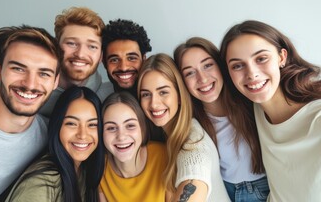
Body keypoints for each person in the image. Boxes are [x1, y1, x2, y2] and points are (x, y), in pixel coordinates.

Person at [219, 20, 321, 202]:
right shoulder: (252, 107)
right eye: (237, 65)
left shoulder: (316, 116)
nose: (251, 74)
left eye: (261, 59)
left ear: (282, 57)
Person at [0, 25, 62, 201]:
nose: (30, 84)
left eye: (44, 74)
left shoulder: (49, 135)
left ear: (55, 82)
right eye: (19, 69)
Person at [174, 37, 269, 202]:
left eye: (208, 65)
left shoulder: (251, 100)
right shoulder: (193, 125)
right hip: (224, 191)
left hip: (264, 187)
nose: (202, 79)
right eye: (190, 72)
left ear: (220, 65)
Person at [0, 7, 113, 117]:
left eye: (92, 46)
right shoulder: (29, 85)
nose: (80, 54)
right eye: (71, 43)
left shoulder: (105, 93)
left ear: (101, 55)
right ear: (56, 46)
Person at [137, 53, 230, 202]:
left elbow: (195, 169)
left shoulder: (193, 142)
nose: (154, 104)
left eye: (163, 92)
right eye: (146, 94)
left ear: (180, 96)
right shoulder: (166, 137)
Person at [5, 86, 105, 202]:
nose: (82, 135)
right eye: (71, 123)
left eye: (92, 125)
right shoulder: (41, 183)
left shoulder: (84, 170)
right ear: (57, 126)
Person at [99, 91, 169, 202]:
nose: (121, 136)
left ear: (142, 128)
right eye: (111, 128)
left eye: (130, 125)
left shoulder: (165, 156)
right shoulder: (99, 168)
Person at [102, 19, 152, 98]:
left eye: (131, 58)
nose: (123, 68)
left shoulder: (157, 96)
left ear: (144, 59)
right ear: (104, 63)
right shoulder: (97, 98)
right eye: (114, 60)